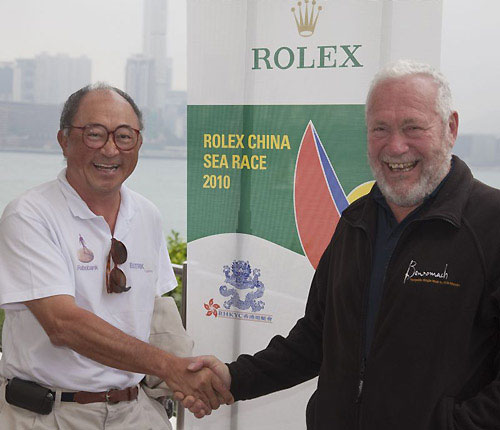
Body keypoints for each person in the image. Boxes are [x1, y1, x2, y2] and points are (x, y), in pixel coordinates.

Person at [178, 60, 500, 430]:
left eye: (413, 127)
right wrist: (233, 379)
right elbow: (316, 337)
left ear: (450, 128)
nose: (395, 146)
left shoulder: (491, 225)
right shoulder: (355, 222)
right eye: (380, 128)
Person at [0, 83, 232, 429]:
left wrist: (185, 379)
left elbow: (154, 313)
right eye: (95, 134)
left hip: (133, 411)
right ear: (65, 140)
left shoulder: (147, 214)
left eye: (124, 136)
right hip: (51, 415)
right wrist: (170, 368)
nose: (110, 150)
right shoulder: (30, 214)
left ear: (138, 143)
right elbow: (63, 325)